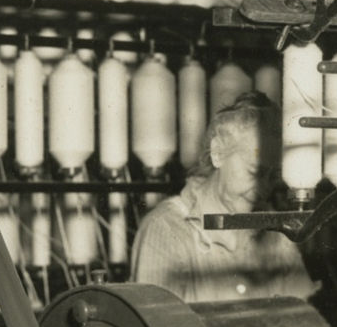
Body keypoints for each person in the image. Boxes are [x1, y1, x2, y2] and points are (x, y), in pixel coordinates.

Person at [131, 91, 316, 303]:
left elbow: (305, 322)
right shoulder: (166, 230)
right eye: (254, 172)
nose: (264, 189)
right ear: (218, 152)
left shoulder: (275, 236)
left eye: (272, 176)